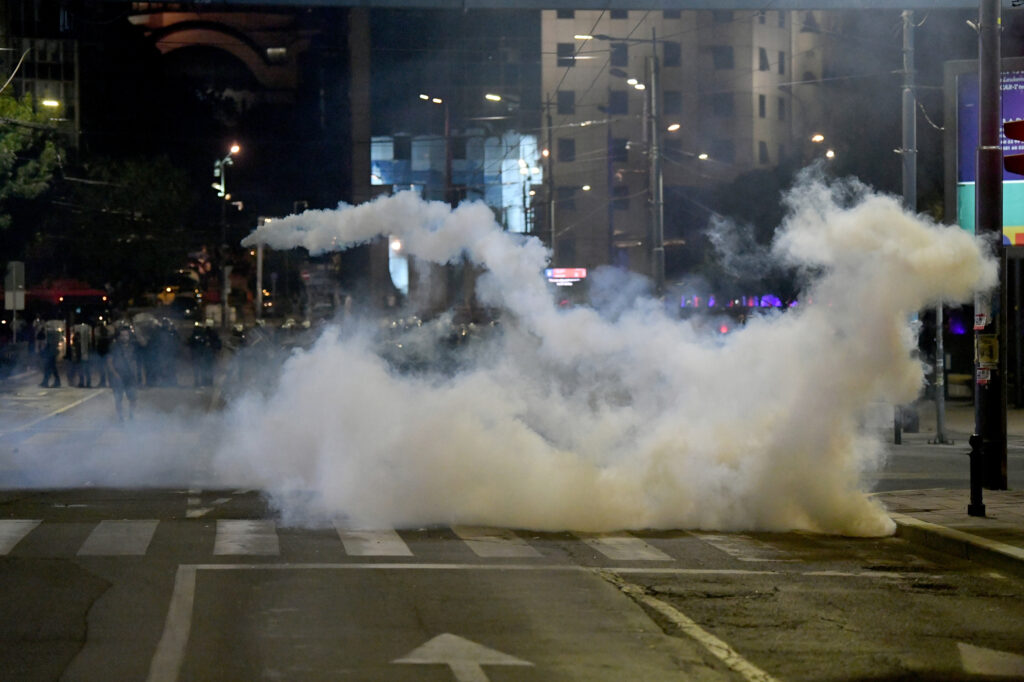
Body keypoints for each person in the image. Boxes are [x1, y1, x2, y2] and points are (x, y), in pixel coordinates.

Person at [107, 325, 138, 421]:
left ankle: (131, 415)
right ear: (119, 337)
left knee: (133, 398)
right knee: (118, 399)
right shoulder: (114, 347)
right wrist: (115, 374)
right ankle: (120, 417)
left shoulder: (132, 347)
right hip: (118, 376)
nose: (125, 337)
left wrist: (136, 375)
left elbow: (134, 362)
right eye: (122, 335)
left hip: (130, 376)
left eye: (126, 335)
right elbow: (109, 361)